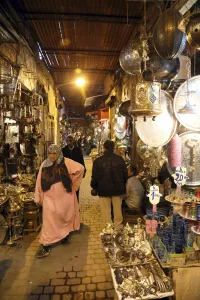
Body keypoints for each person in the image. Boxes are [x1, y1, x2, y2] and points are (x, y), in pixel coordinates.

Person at [34, 144, 84, 258]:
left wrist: (73, 184)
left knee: (64, 217)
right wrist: (39, 197)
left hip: (64, 197)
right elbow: (39, 183)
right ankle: (45, 244)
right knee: (48, 221)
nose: (52, 156)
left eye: (54, 153)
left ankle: (64, 235)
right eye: (50, 153)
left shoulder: (66, 162)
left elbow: (80, 168)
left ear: (58, 153)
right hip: (49, 198)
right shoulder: (44, 165)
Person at [91, 140, 128, 228]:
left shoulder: (98, 161)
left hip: (103, 189)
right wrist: (122, 184)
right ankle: (118, 228)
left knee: (105, 210)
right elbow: (125, 175)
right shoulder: (120, 159)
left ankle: (108, 229)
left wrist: (94, 186)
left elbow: (95, 176)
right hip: (118, 189)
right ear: (113, 148)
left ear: (104, 147)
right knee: (117, 210)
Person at [62, 135, 86, 201]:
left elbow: (81, 160)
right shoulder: (64, 150)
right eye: (67, 141)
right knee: (67, 190)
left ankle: (76, 204)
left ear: (73, 141)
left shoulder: (78, 150)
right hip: (67, 173)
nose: (69, 142)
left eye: (70, 141)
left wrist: (84, 170)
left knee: (76, 189)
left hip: (76, 173)